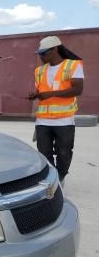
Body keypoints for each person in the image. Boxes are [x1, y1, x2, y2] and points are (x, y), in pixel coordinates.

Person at [27, 36, 84, 186]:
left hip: (64, 120)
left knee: (63, 153)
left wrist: (51, 94)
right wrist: (36, 95)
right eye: (40, 53)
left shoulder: (72, 65)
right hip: (43, 120)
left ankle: (61, 176)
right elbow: (42, 90)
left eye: (44, 52)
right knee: (44, 153)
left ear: (55, 49)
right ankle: (53, 180)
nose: (41, 56)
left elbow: (78, 89)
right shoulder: (39, 71)